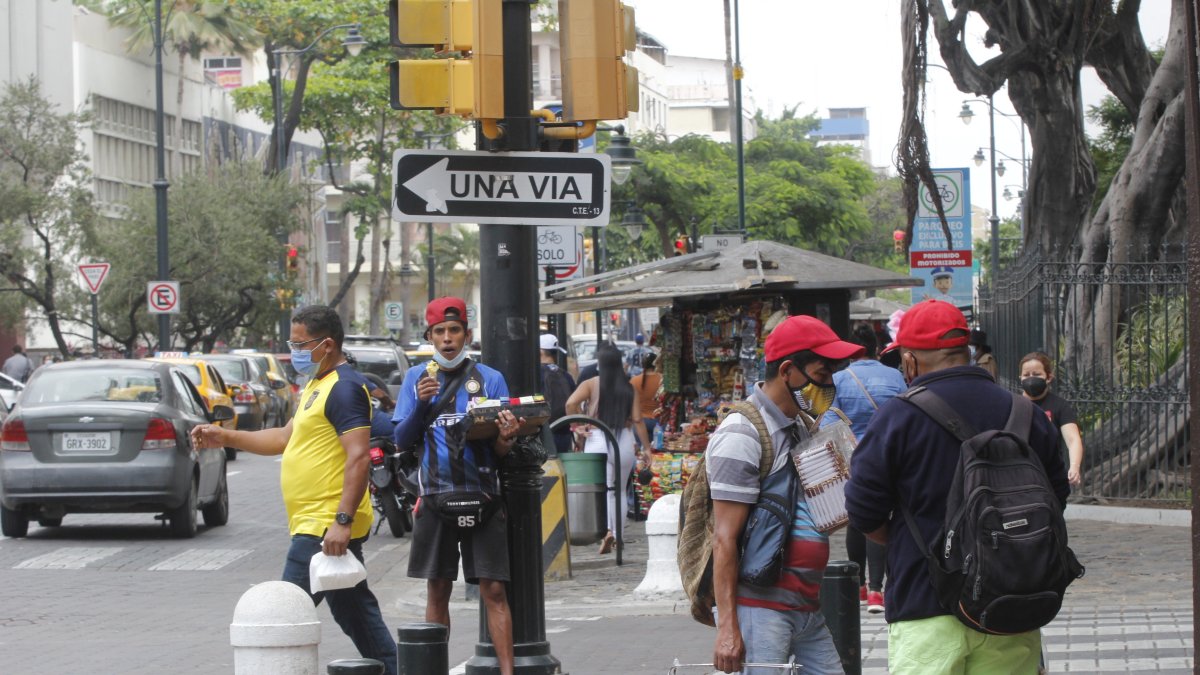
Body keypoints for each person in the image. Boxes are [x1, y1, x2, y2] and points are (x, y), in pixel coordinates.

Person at [845, 300, 1068, 674]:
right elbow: (1055, 499)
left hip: (924, 606)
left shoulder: (897, 417)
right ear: (964, 353)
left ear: (911, 361)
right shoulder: (1025, 414)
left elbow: (863, 510)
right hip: (1010, 608)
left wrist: (909, 541)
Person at [189, 305, 398, 674]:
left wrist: (342, 520)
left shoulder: (346, 388)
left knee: (281, 614)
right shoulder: (316, 386)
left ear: (327, 344)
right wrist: (224, 436)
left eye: (301, 344)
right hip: (316, 523)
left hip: (323, 526)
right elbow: (285, 437)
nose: (295, 352)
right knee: (357, 616)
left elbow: (359, 456)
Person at [707, 314, 863, 675]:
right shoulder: (742, 435)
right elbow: (724, 539)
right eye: (821, 376)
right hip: (761, 609)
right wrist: (729, 627)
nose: (827, 386)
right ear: (789, 370)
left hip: (806, 606)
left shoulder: (800, 427)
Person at [391, 297, 521, 675]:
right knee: (438, 590)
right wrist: (420, 405)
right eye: (440, 332)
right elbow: (401, 439)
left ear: (467, 333)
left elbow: (498, 449)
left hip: (483, 495)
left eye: (454, 330)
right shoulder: (417, 378)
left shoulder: (490, 379)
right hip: (433, 497)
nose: (447, 339)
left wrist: (508, 437)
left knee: (494, 591)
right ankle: (435, 668)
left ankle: (508, 671)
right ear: (429, 336)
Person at [819, 323, 906, 615]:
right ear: (877, 348)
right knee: (883, 515)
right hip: (888, 455)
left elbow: (829, 422)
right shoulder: (894, 375)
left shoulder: (840, 379)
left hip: (853, 456)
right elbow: (906, 413)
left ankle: (856, 587)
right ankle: (877, 591)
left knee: (857, 517)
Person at [565, 344, 653, 554]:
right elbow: (638, 420)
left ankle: (607, 531)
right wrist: (647, 449)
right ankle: (618, 533)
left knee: (604, 490)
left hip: (597, 438)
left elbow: (570, 404)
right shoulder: (629, 387)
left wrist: (580, 425)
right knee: (620, 491)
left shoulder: (590, 383)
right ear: (619, 362)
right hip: (623, 439)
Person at [1019, 351, 1085, 487]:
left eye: (1036, 374)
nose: (1031, 379)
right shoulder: (1013, 404)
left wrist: (1074, 467)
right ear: (1020, 377)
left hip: (1050, 475)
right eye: (1026, 375)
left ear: (1048, 377)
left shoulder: (1059, 405)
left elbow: (1073, 439)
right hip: (1019, 473)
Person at [539, 333, 577, 455]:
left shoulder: (536, 374)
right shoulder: (566, 376)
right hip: (565, 431)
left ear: (540, 352)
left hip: (544, 431)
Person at [630, 352, 662, 443]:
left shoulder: (634, 380)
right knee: (659, 453)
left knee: (642, 454)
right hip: (659, 422)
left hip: (640, 422)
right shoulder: (662, 379)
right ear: (657, 363)